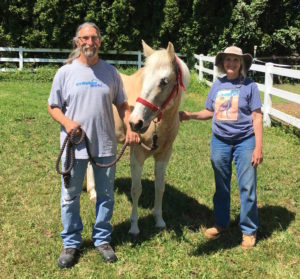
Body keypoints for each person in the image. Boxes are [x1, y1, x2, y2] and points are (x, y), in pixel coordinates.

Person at [48, 22, 140, 268]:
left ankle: (102, 239)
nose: (89, 42)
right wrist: (67, 123)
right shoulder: (65, 73)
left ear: (99, 41)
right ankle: (71, 242)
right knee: (70, 196)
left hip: (105, 144)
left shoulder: (110, 72)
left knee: (106, 196)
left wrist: (130, 128)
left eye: (94, 38)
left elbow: (122, 104)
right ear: (77, 41)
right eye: (84, 38)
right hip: (74, 146)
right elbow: (53, 106)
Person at [179, 46, 263, 249]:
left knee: (247, 186)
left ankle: (249, 230)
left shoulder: (250, 86)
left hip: (245, 141)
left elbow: (257, 117)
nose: (231, 63)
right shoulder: (217, 86)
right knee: (221, 185)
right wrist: (190, 115)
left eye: (235, 60)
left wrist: (258, 147)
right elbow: (210, 111)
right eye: (228, 60)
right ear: (222, 63)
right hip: (220, 141)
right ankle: (221, 223)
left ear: (241, 63)